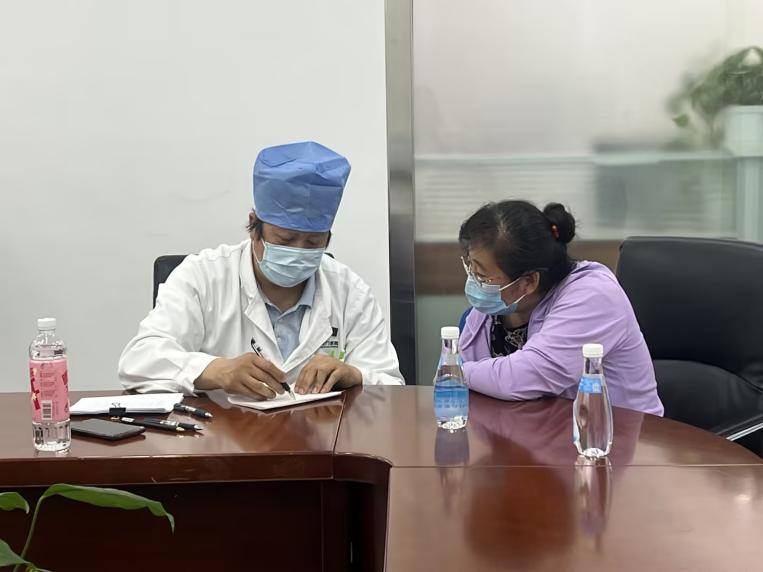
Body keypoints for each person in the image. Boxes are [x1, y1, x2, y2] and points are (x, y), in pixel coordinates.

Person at [119, 141, 404, 398]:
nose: (298, 252)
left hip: (321, 435)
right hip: (222, 436)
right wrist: (217, 370)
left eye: (312, 242)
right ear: (254, 226)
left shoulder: (349, 291)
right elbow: (138, 361)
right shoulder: (202, 277)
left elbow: (392, 386)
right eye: (285, 239)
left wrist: (355, 376)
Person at [458, 200, 663, 416]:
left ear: (528, 282)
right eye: (470, 267)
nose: (474, 281)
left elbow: (525, 377)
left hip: (620, 432)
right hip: (533, 430)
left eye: (481, 276)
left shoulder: (594, 296)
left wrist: (456, 372)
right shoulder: (493, 308)